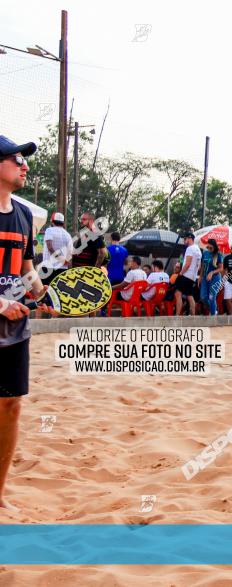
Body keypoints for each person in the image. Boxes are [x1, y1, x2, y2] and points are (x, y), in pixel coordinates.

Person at [0, 135, 53, 510]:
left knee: (11, 406)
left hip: (14, 330)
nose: (26, 166)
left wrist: (43, 295)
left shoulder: (22, 215)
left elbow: (27, 271)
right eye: (18, 159)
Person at [42, 212, 72, 284]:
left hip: (48, 267)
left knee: (46, 290)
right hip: (62, 268)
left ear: (52, 221)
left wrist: (59, 259)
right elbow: (70, 252)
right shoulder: (67, 235)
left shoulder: (49, 230)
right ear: (63, 222)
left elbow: (50, 247)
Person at [175, 232, 201, 316]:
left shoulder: (190, 248)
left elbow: (188, 263)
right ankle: (193, 316)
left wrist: (181, 273)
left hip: (186, 274)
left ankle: (177, 315)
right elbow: (199, 266)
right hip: (193, 276)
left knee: (177, 293)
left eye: (185, 239)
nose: (184, 240)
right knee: (189, 295)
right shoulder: (198, 249)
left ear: (190, 238)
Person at [199, 238, 223, 316]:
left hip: (215, 278)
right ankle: (214, 309)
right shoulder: (205, 253)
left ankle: (213, 316)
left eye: (211, 248)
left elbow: (221, 268)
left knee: (212, 297)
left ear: (214, 247)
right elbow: (203, 265)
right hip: (205, 278)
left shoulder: (218, 255)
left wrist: (212, 272)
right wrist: (200, 276)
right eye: (207, 247)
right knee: (203, 297)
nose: (209, 249)